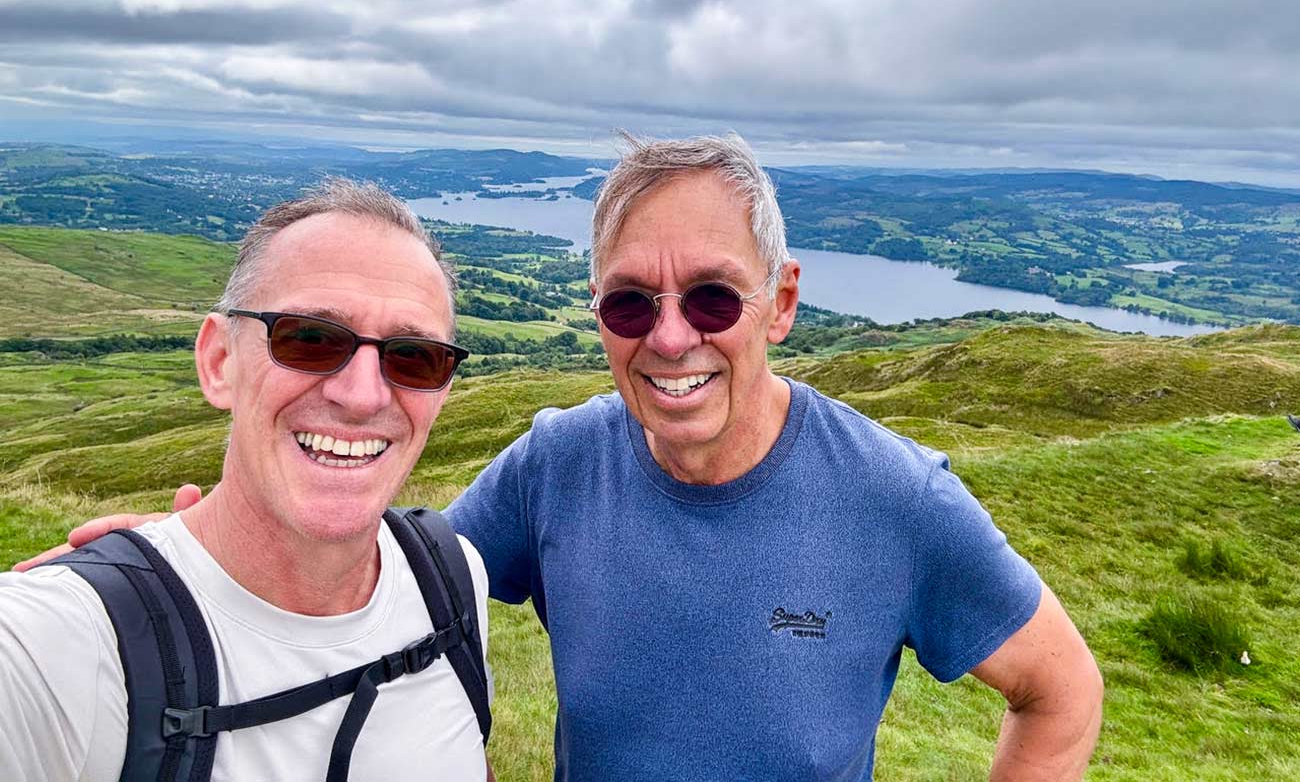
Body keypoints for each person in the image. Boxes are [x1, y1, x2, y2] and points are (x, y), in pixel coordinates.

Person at [19, 135, 1103, 780]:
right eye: (630, 301)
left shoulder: (896, 500)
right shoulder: (558, 464)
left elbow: (1060, 692)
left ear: (779, 303)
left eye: (713, 296)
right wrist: (192, 567)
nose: (669, 336)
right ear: (598, 315)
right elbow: (390, 575)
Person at [0, 181, 494, 781]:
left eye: (414, 355)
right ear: (219, 361)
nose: (363, 395)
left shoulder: (449, 576)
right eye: (310, 338)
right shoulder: (51, 648)